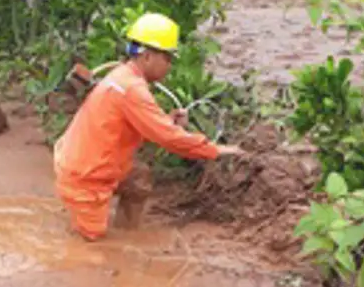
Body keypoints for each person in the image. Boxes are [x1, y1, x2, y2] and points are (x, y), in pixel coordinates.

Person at [53, 13, 241, 241]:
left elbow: (148, 125)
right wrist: (214, 150)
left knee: (138, 180)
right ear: (148, 56)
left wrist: (168, 123)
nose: (169, 66)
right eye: (168, 59)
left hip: (86, 161)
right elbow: (169, 139)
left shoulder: (122, 76)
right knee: (91, 247)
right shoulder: (132, 88)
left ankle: (126, 233)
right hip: (86, 177)